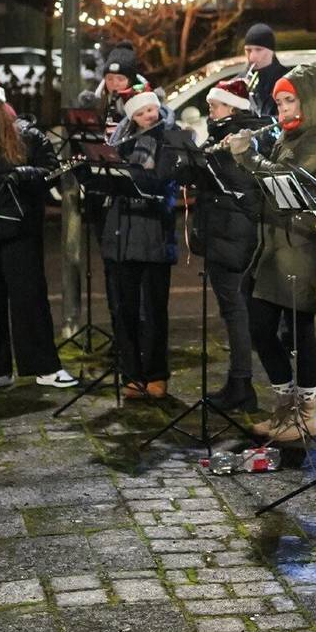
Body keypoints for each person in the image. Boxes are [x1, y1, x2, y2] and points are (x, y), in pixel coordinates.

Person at [229, 63, 316, 443]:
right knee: (260, 325)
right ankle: (285, 404)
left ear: (310, 101)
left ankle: (304, 414)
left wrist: (247, 157)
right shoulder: (289, 136)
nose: (283, 109)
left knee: (299, 331)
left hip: (301, 247)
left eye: (290, 100)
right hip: (274, 246)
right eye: (279, 102)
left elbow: (284, 179)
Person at [0, 78, 78, 391]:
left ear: (0, 105)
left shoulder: (26, 135)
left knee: (29, 300)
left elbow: (52, 171)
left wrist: (25, 174)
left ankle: (44, 367)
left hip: (19, 230)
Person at [181, 78, 263, 412]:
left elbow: (245, 184)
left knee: (236, 311)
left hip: (234, 236)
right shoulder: (221, 137)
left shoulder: (243, 139)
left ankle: (243, 385)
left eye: (215, 105)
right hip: (221, 233)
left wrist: (209, 164)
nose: (209, 109)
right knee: (232, 311)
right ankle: (237, 381)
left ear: (233, 107)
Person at [103, 85, 181, 399]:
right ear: (132, 117)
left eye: (151, 109)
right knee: (125, 309)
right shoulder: (120, 142)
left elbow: (162, 180)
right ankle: (131, 373)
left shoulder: (170, 139)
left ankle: (156, 374)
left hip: (154, 234)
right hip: (122, 233)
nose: (149, 116)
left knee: (153, 310)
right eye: (141, 112)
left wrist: (124, 175)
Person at [243, 23, 289, 119]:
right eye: (248, 50)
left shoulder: (287, 79)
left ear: (271, 51)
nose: (252, 57)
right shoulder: (240, 81)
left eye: (258, 50)